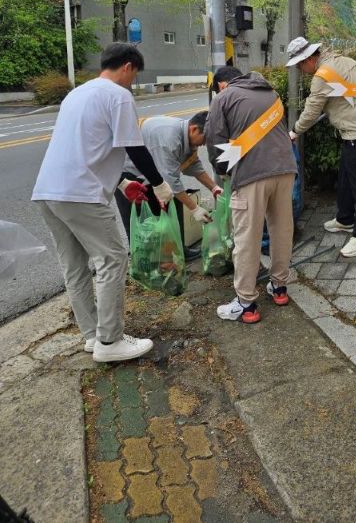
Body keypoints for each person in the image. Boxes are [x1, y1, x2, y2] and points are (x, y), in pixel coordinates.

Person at [32, 43, 174, 363]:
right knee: (112, 258)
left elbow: (85, 146)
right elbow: (135, 148)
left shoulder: (77, 94)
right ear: (127, 67)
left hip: (48, 191)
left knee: (74, 266)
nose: (132, 83)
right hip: (80, 193)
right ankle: (110, 342)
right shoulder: (118, 95)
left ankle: (93, 336)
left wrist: (122, 182)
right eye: (134, 76)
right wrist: (161, 186)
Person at [206, 66, 297, 324]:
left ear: (222, 84)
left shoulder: (224, 97)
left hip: (251, 175)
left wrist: (223, 171)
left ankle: (246, 303)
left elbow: (214, 141)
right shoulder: (271, 93)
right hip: (285, 169)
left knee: (247, 237)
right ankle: (279, 288)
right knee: (281, 230)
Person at [285, 37, 356, 258]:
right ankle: (345, 219)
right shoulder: (345, 61)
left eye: (300, 65)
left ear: (309, 59)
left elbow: (310, 112)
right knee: (346, 174)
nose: (301, 70)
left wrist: (294, 132)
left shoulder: (321, 76)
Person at [115, 111, 222, 262]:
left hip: (152, 174)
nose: (204, 144)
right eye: (205, 139)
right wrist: (195, 209)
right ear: (194, 129)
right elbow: (171, 181)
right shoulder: (169, 138)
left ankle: (177, 252)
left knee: (172, 206)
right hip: (129, 176)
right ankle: (144, 262)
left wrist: (214, 187)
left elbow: (193, 165)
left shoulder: (185, 136)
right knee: (141, 220)